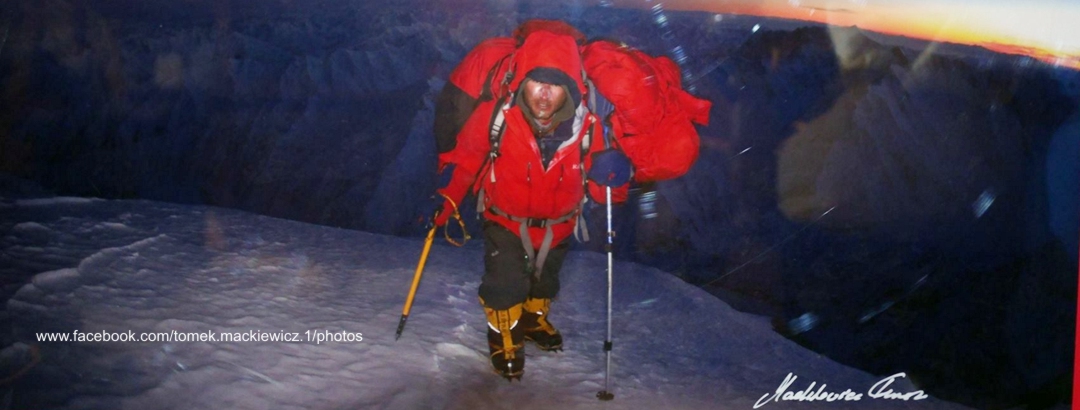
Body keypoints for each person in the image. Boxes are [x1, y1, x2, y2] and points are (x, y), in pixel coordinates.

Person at [430, 24, 632, 380]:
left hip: (560, 225)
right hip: (504, 220)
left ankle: (533, 320)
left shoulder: (587, 128)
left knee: (544, 282)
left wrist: (614, 178)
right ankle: (504, 337)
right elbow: (467, 160)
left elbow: (605, 188)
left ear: (570, 89)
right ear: (522, 81)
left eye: (555, 84)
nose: (544, 93)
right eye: (537, 81)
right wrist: (447, 200)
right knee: (505, 283)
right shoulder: (497, 116)